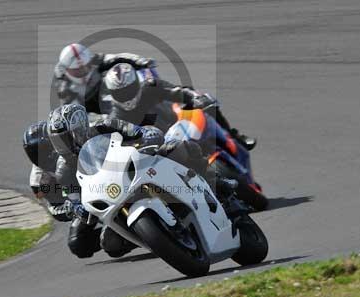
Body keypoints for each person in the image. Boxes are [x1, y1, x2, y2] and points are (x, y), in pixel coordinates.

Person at [45, 103, 241, 259]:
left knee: (179, 147)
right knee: (109, 245)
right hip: (109, 194)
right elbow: (72, 195)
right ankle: (156, 239)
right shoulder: (63, 169)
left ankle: (219, 182)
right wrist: (77, 207)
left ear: (78, 129)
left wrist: (146, 138)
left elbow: (136, 131)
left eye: (65, 138)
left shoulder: (103, 126)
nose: (63, 145)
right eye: (58, 141)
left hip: (135, 165)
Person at [102, 63, 256, 149]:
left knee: (207, 105)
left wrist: (196, 97)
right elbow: (114, 146)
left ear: (136, 84)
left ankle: (235, 137)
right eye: (121, 93)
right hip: (159, 149)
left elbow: (178, 91)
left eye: (129, 90)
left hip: (179, 122)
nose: (126, 95)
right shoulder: (115, 117)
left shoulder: (150, 87)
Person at [53, 43, 157, 113]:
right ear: (67, 69)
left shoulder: (94, 60)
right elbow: (71, 113)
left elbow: (117, 58)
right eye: (78, 70)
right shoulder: (64, 88)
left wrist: (140, 61)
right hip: (88, 110)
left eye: (87, 66)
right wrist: (103, 119)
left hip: (105, 93)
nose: (84, 72)